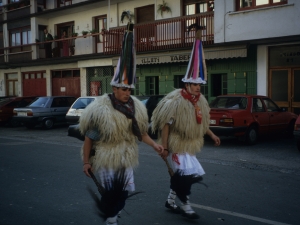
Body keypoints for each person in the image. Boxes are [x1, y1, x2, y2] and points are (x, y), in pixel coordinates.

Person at [79, 19, 164, 225]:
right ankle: (111, 221)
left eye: (129, 89)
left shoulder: (135, 108)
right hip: (108, 159)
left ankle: (110, 218)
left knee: (124, 194)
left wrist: (155, 145)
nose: (127, 92)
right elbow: (89, 139)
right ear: (114, 88)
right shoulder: (102, 110)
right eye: (124, 89)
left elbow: (140, 133)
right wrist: (86, 162)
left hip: (126, 158)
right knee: (112, 195)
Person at [151, 24, 221, 220]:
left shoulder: (201, 101)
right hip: (177, 144)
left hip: (190, 146)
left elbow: (202, 123)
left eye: (200, 84)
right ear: (187, 84)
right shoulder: (176, 101)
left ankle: (171, 201)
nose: (198, 87)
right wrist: (164, 146)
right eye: (194, 84)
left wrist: (212, 134)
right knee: (185, 177)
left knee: (183, 177)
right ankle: (187, 207)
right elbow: (166, 123)